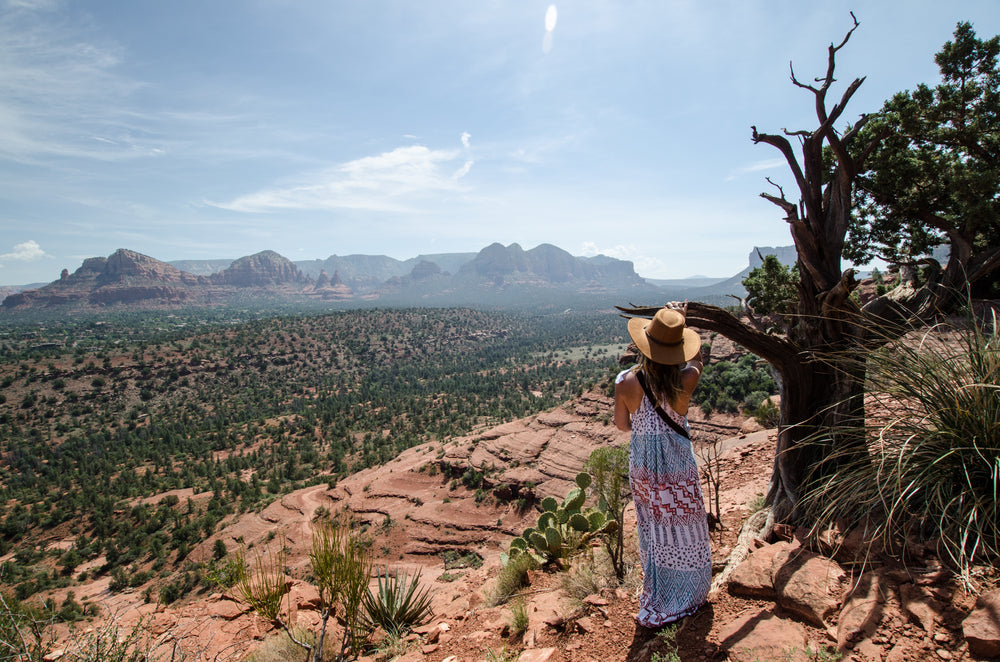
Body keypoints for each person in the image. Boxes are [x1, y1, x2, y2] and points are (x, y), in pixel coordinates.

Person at [614, 303, 711, 628]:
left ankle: (660, 591)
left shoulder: (625, 382)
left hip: (644, 463)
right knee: (685, 526)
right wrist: (683, 321)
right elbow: (697, 359)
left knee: (654, 528)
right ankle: (689, 591)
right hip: (678, 465)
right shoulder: (688, 378)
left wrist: (644, 426)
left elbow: (622, 426)